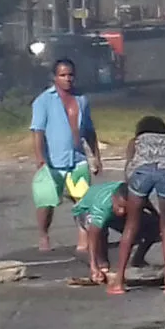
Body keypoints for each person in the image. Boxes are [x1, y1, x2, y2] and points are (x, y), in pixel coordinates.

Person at [108, 116, 165, 295]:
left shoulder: (136, 141)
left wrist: (133, 198)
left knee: (131, 226)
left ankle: (119, 281)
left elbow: (128, 172)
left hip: (141, 173)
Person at [31, 59, 102, 252]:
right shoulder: (43, 101)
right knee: (46, 202)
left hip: (77, 160)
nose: (67, 79)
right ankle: (44, 235)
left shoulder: (81, 100)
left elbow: (89, 130)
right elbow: (37, 131)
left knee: (82, 201)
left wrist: (96, 156)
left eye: (70, 75)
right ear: (55, 77)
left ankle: (83, 237)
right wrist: (40, 157)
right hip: (53, 162)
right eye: (63, 75)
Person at [71, 181, 161, 284]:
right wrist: (93, 266)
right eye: (119, 206)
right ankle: (101, 266)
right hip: (85, 210)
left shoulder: (135, 197)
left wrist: (157, 218)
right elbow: (93, 235)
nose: (122, 211)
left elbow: (146, 203)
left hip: (112, 210)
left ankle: (138, 259)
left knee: (154, 225)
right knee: (100, 233)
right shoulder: (102, 205)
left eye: (125, 208)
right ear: (113, 198)